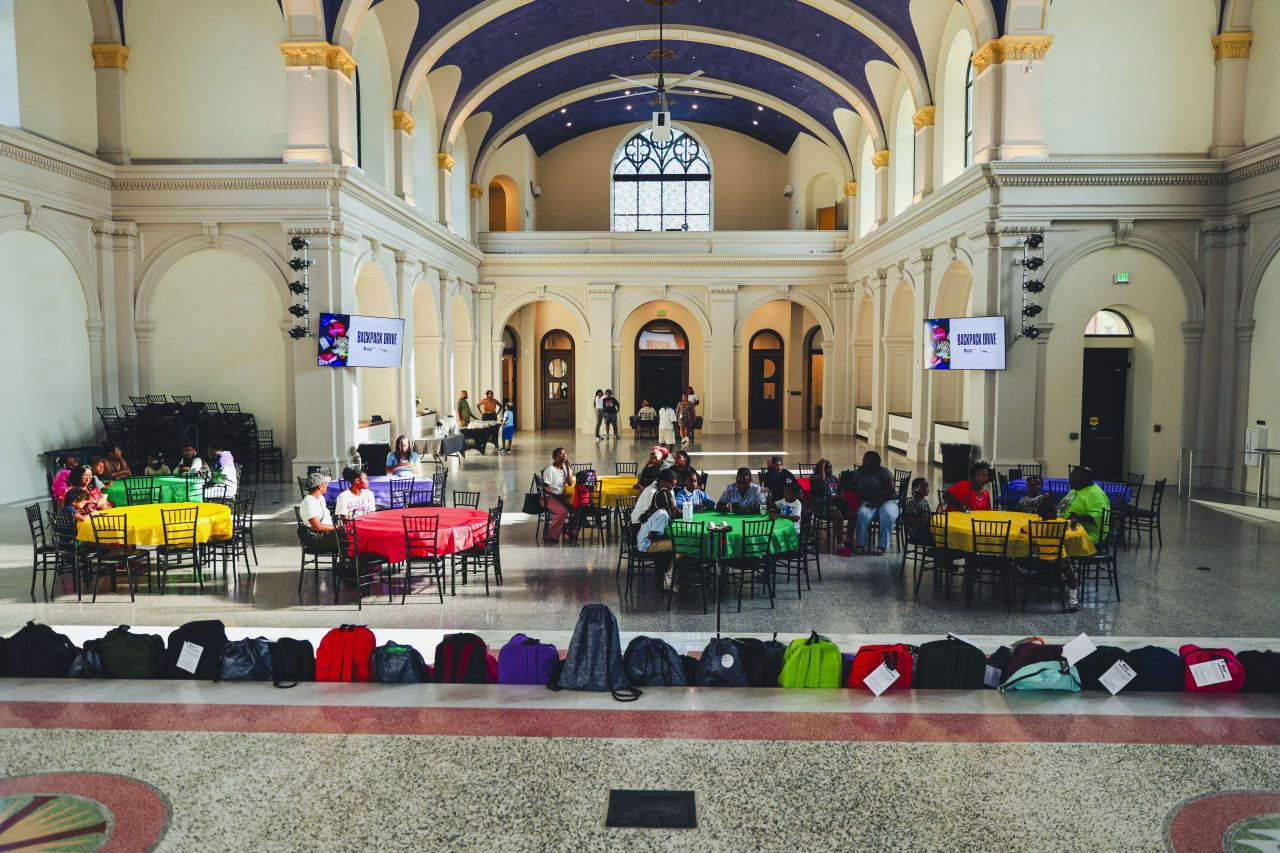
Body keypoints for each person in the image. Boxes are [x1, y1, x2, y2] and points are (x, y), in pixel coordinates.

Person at [851, 451, 899, 555]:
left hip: (888, 501)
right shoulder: (859, 472)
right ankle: (861, 544)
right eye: (864, 459)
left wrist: (876, 502)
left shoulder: (883, 471)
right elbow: (853, 486)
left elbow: (890, 489)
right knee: (862, 514)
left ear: (875, 462)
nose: (864, 462)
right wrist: (859, 493)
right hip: (869, 500)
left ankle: (882, 546)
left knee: (888, 515)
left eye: (867, 460)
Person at [809, 458, 854, 556]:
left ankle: (849, 539)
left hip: (835, 504)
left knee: (852, 513)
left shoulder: (833, 478)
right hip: (823, 506)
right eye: (826, 468)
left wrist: (843, 487)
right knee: (838, 515)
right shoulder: (815, 477)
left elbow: (839, 493)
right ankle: (840, 546)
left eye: (830, 468)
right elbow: (822, 480)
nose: (829, 470)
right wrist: (822, 468)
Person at [635, 488, 676, 588]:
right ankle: (669, 575)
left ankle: (665, 572)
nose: (673, 499)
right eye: (672, 498)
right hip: (647, 545)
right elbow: (651, 536)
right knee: (678, 545)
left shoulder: (653, 511)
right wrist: (662, 539)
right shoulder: (663, 515)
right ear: (667, 501)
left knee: (670, 545)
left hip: (641, 542)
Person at [541, 447, 577, 544]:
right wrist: (556, 496)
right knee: (563, 512)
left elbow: (570, 483)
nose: (564, 456)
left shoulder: (566, 468)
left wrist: (568, 469)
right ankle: (551, 537)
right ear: (554, 457)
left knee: (577, 509)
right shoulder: (550, 470)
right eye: (561, 454)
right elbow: (544, 488)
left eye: (565, 454)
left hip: (560, 496)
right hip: (549, 497)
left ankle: (567, 530)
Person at [298, 472, 338, 550]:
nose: (327, 485)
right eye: (325, 483)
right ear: (320, 486)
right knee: (348, 535)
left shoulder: (320, 498)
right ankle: (349, 560)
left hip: (325, 533)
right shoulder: (309, 502)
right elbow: (317, 527)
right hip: (317, 538)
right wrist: (336, 528)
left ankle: (347, 560)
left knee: (350, 532)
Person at [900, 477, 933, 545]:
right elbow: (908, 520)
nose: (927, 489)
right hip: (916, 533)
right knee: (939, 537)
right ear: (916, 489)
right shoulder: (912, 504)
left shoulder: (925, 502)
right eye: (924, 487)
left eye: (927, 486)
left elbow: (928, 516)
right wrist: (923, 523)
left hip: (924, 530)